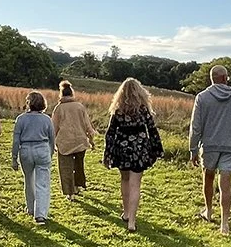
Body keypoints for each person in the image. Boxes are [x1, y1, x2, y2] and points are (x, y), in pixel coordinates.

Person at [188, 64, 231, 235]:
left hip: (209, 146)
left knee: (208, 178)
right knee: (226, 184)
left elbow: (196, 127)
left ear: (212, 79)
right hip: (230, 146)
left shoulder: (202, 97)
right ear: (224, 78)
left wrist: (193, 149)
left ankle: (208, 211)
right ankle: (224, 224)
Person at [103, 77, 163, 232]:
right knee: (135, 184)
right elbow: (152, 130)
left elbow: (110, 133)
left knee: (124, 179)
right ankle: (132, 222)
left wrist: (107, 153)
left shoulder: (118, 111)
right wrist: (157, 149)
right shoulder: (143, 110)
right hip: (139, 149)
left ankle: (126, 213)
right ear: (139, 92)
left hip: (121, 149)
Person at [11, 91, 55, 223]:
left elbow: (16, 140)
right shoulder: (47, 119)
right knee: (42, 183)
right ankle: (40, 213)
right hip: (42, 148)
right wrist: (51, 153)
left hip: (25, 149)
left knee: (29, 180)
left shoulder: (21, 119)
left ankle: (30, 208)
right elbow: (52, 139)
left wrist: (14, 157)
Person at [50, 80, 96, 199]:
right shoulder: (80, 106)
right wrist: (91, 140)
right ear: (72, 93)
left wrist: (52, 142)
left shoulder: (59, 109)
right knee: (78, 166)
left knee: (66, 168)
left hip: (65, 143)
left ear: (61, 94)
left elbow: (53, 127)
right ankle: (77, 187)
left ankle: (69, 193)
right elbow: (87, 125)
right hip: (80, 141)